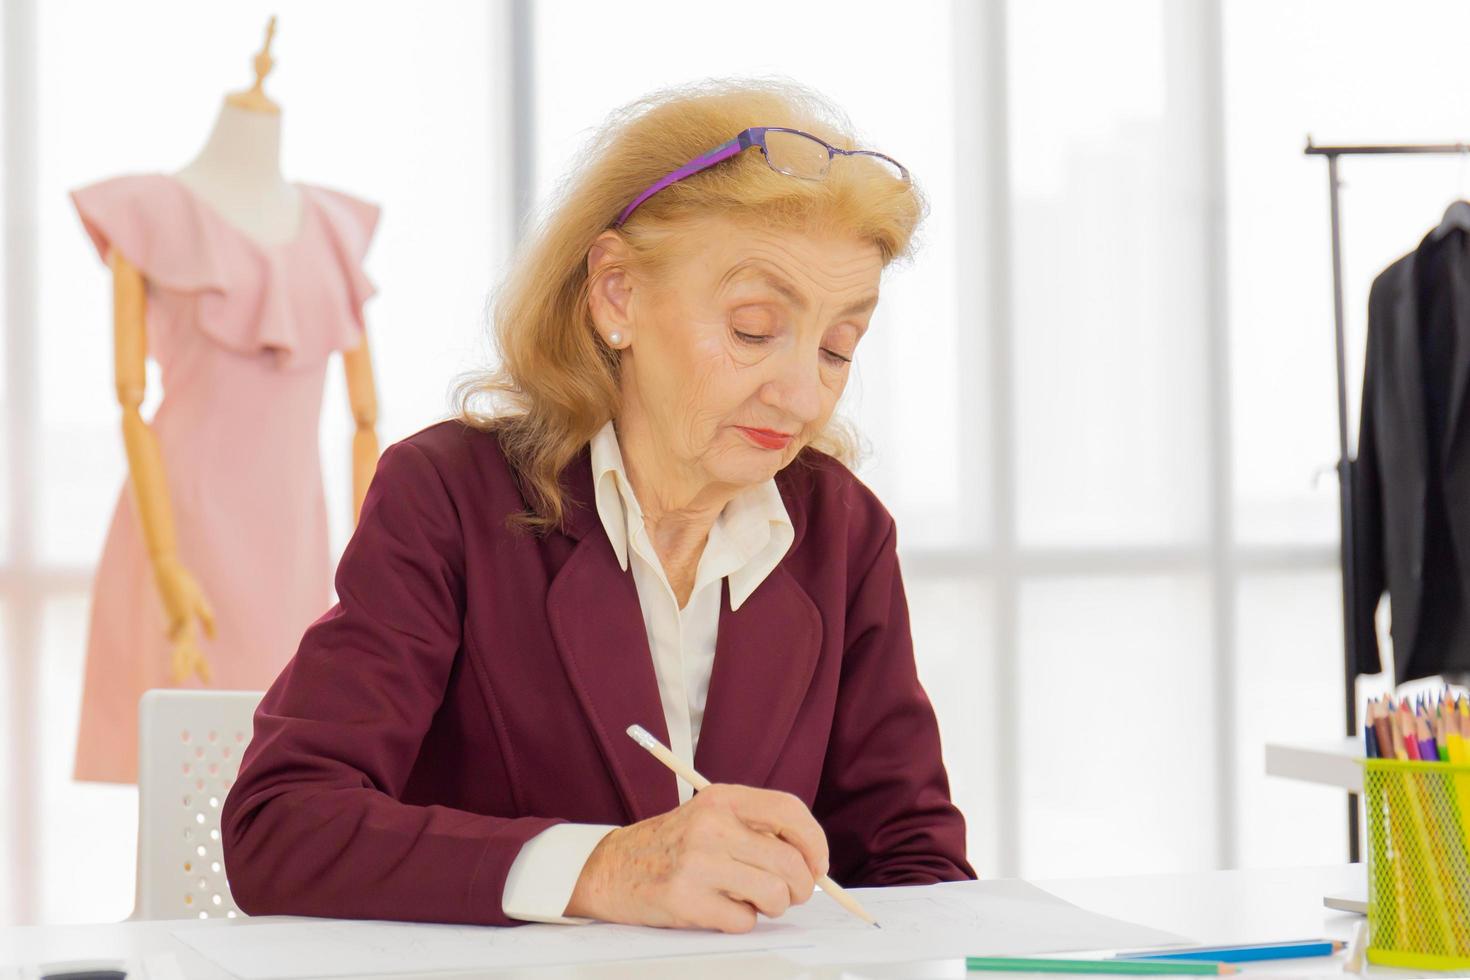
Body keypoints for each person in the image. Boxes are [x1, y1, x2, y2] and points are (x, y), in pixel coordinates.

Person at [221, 77, 974, 933]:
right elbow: (278, 827)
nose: (803, 396)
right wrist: (602, 869)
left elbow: (918, 864)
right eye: (755, 328)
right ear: (617, 293)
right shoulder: (448, 497)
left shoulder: (841, 531)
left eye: (840, 346)